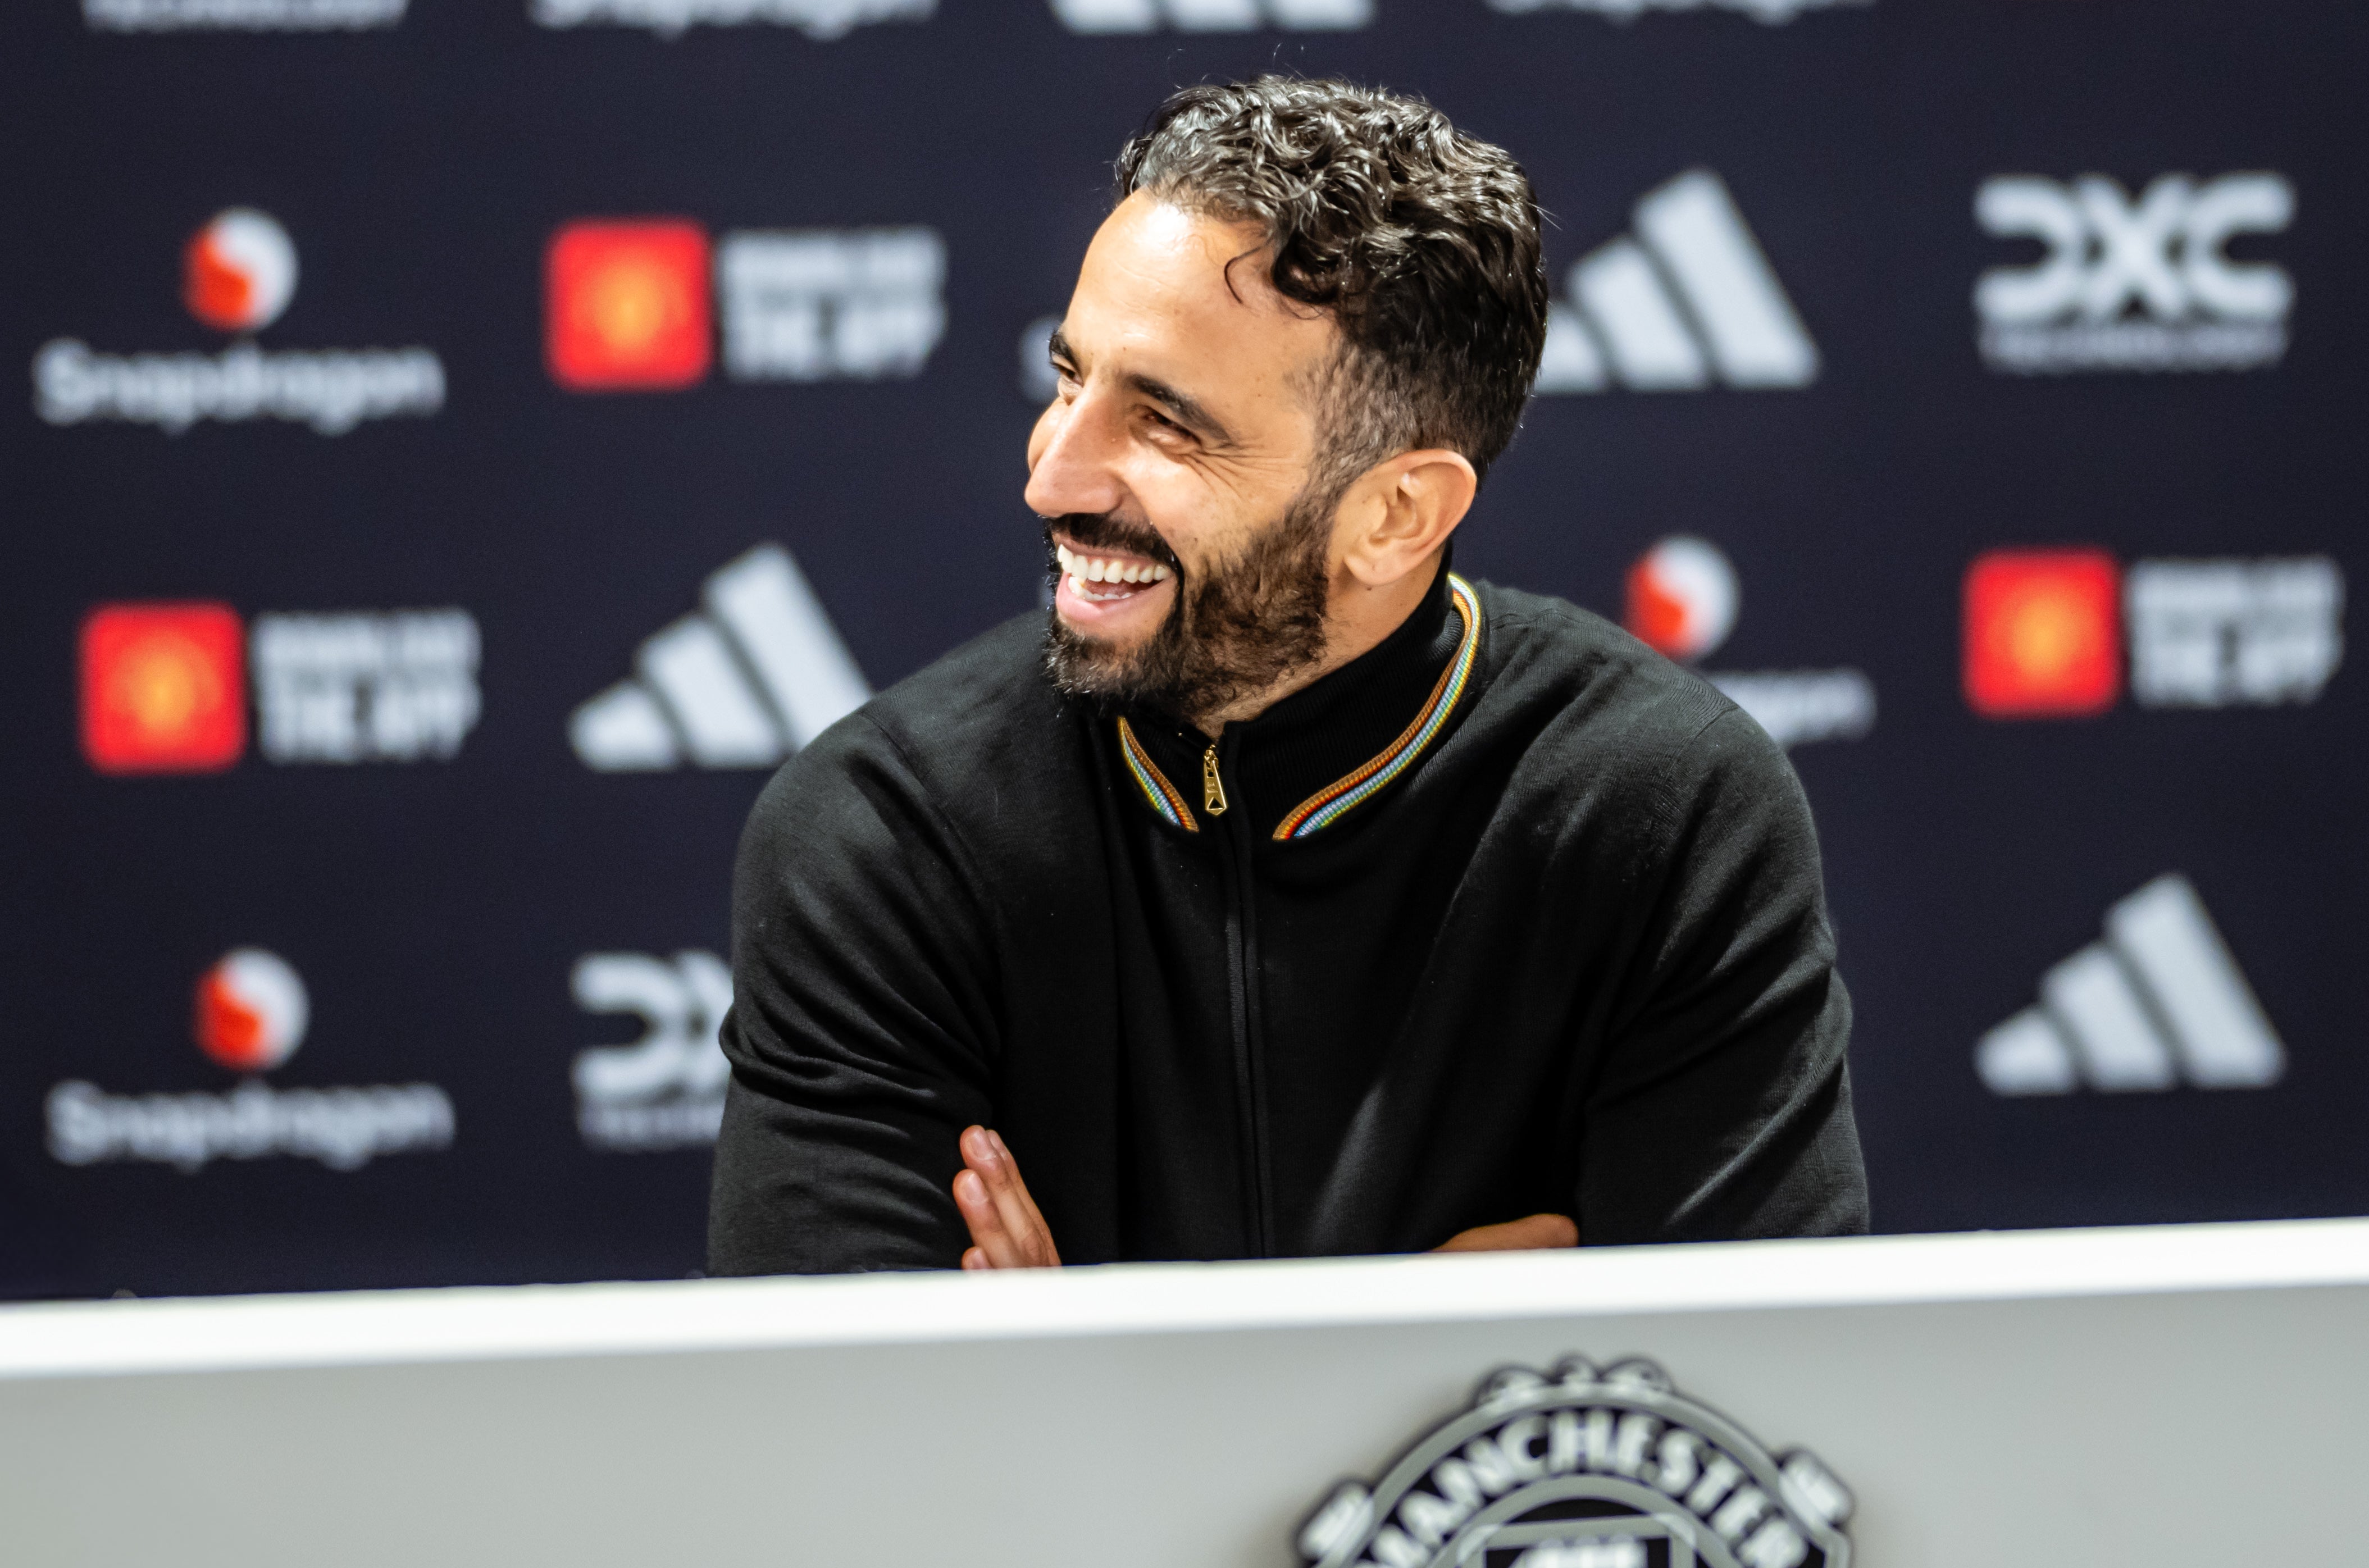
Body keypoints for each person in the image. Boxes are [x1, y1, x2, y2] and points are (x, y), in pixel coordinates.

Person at [707, 76, 1865, 1273]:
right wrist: (1433, 1357)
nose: (1053, 475)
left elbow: (1739, 1421)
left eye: (1164, 423)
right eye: (1068, 379)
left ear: (1397, 514)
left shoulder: (1665, 812)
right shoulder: (885, 835)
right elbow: (846, 1442)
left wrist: (1069, 1373)